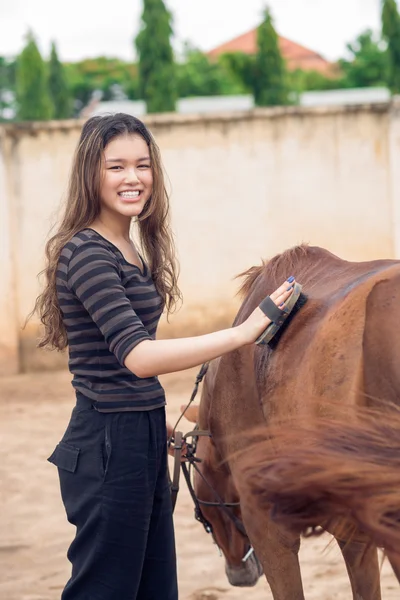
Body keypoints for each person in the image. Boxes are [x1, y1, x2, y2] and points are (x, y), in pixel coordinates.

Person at [34, 113, 296, 600]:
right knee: (106, 590)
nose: (132, 178)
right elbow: (137, 356)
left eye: (142, 165)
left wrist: (162, 423)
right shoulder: (89, 254)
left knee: (154, 589)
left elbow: (120, 367)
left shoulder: (127, 247)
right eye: (116, 167)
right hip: (109, 444)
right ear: (91, 173)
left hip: (139, 434)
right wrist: (242, 334)